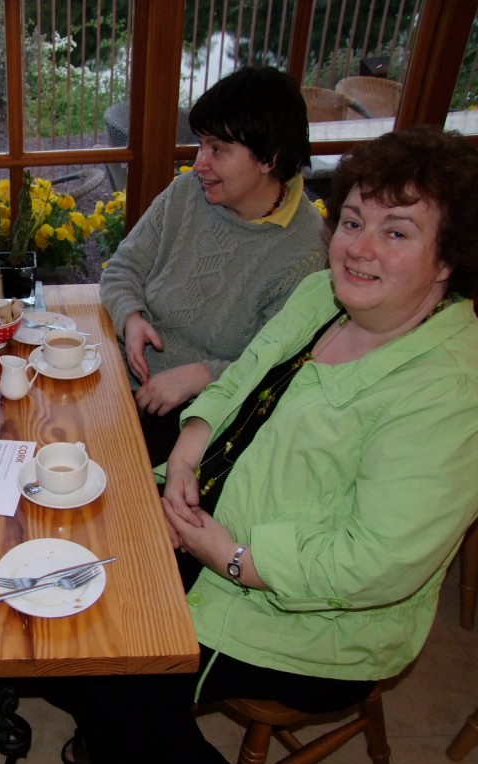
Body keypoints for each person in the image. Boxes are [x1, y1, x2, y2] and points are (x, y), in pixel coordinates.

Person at [56, 126, 478, 764]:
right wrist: (186, 460)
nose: (358, 249)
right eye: (353, 221)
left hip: (305, 617)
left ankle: (126, 732)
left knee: (105, 662)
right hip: (207, 520)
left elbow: (375, 565)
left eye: (396, 232)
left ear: (448, 258)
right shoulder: (321, 298)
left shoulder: (450, 392)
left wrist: (228, 555)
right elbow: (240, 379)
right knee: (66, 573)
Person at [100, 66, 329, 466]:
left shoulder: (306, 250)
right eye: (201, 145)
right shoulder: (188, 192)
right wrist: (131, 317)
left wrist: (203, 374)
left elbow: (281, 368)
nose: (200, 163)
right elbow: (122, 268)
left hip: (202, 423)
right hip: (119, 381)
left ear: (269, 158)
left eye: (217, 150)